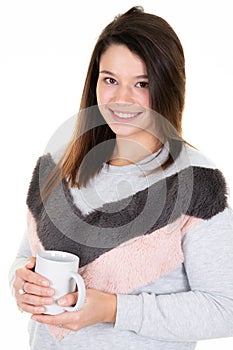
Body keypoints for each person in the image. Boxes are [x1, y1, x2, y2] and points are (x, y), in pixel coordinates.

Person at [9, 6, 233, 350]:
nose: (121, 99)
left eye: (142, 84)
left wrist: (115, 309)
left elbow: (225, 308)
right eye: (110, 80)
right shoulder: (58, 164)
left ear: (168, 87)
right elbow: (26, 260)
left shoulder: (198, 185)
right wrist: (21, 282)